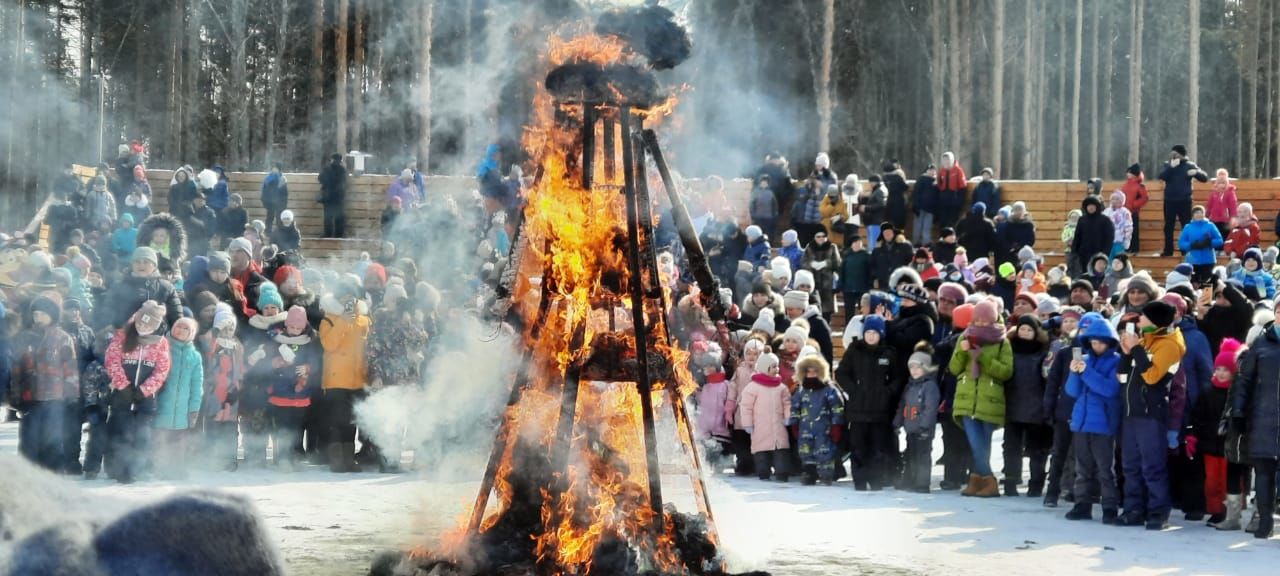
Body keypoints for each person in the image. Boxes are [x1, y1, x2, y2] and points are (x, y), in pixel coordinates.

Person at [1117, 300, 1186, 529]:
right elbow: (1123, 376)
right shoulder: (1147, 338)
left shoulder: (1169, 344)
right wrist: (1127, 353)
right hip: (1131, 411)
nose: (1140, 320)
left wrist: (1136, 349)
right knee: (1130, 465)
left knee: (1152, 466)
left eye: (1144, 317)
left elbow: (1152, 377)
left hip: (1150, 413)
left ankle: (1158, 512)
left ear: (1155, 321)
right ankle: (1133, 509)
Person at [1061, 312, 1123, 523]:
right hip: (1081, 421)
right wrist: (1074, 372)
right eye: (1093, 342)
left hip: (1103, 423)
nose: (1097, 346)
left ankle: (1109, 508)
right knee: (1083, 468)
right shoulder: (1083, 360)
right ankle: (1082, 505)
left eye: (1101, 343)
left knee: (1105, 469)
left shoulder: (1116, 362)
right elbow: (1072, 391)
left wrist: (1085, 372)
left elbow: (1109, 390)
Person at [949, 299, 1012, 498]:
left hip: (990, 399)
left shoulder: (1002, 341)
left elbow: (1006, 372)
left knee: (982, 444)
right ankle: (985, 480)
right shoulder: (964, 337)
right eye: (978, 320)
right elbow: (954, 368)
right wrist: (963, 351)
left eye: (985, 321)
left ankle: (979, 480)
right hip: (967, 398)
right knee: (976, 443)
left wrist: (982, 357)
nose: (981, 324)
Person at [104, 300, 172, 484]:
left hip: (145, 397)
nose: (143, 326)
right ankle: (119, 468)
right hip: (122, 394)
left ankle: (136, 468)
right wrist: (123, 385)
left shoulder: (161, 343)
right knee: (122, 431)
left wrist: (145, 390)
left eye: (148, 324)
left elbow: (162, 370)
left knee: (142, 434)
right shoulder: (122, 337)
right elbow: (112, 361)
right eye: (141, 322)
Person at [9, 295, 78, 472]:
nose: (37, 317)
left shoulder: (63, 338)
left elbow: (70, 368)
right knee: (29, 441)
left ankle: (53, 478)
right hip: (29, 398)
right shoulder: (24, 337)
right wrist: (15, 396)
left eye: (42, 313)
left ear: (52, 315)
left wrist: (71, 394)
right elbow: (16, 369)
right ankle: (28, 478)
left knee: (53, 441)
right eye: (35, 314)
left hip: (55, 398)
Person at [836, 315, 900, 490]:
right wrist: (853, 390)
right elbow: (841, 373)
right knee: (858, 447)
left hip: (880, 410)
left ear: (881, 334)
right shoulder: (854, 351)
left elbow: (898, 378)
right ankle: (860, 481)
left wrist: (887, 392)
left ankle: (877, 480)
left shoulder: (889, 353)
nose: (871, 336)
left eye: (875, 333)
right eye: (868, 332)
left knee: (878, 448)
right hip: (858, 410)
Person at [1229, 320, 1280, 539]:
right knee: (1263, 472)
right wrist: (1238, 412)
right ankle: (1264, 522)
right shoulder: (1261, 343)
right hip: (1263, 418)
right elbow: (1244, 380)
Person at [319, 284, 371, 473]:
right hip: (336, 379)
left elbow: (368, 348)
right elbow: (329, 344)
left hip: (358, 378)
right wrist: (342, 321)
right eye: (344, 298)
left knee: (352, 421)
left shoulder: (364, 321)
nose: (348, 302)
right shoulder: (329, 319)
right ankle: (336, 459)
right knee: (337, 419)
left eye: (352, 298)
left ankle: (349, 459)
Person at [1197, 339, 1241, 528]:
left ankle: (1230, 511)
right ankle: (1215, 510)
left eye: (1226, 370)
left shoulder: (1236, 392)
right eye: (1219, 369)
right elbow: (1198, 416)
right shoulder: (1207, 391)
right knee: (1212, 481)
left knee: (1229, 480)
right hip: (1210, 443)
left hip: (1229, 445)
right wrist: (1195, 434)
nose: (1221, 373)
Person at [152, 317, 203, 479]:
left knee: (178, 442)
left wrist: (194, 408)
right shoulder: (161, 348)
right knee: (160, 440)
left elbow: (197, 385)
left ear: (191, 333)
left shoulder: (195, 356)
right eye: (178, 326)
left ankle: (176, 468)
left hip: (182, 410)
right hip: (161, 405)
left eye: (185, 328)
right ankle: (157, 468)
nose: (180, 330)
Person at [789, 354, 845, 485]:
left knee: (825, 451)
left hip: (824, 428)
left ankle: (826, 474)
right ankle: (809, 473)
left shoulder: (829, 390)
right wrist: (794, 424)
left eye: (815, 371)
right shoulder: (801, 391)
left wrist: (836, 426)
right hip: (805, 428)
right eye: (808, 371)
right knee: (806, 451)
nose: (811, 374)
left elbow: (837, 408)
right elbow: (794, 407)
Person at [201, 304, 244, 471]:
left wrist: (238, 385)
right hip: (214, 393)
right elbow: (207, 350)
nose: (228, 331)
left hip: (232, 393)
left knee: (230, 427)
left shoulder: (237, 345)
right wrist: (216, 332)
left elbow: (240, 368)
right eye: (225, 327)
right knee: (214, 425)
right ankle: (212, 457)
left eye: (231, 327)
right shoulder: (212, 342)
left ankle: (230, 458)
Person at [740, 348, 791, 482]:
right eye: (773, 367)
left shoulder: (781, 387)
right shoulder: (753, 387)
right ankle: (763, 473)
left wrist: (787, 416)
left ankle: (782, 472)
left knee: (781, 451)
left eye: (777, 366)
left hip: (778, 427)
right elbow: (746, 407)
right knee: (761, 452)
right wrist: (747, 424)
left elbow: (787, 403)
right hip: (760, 427)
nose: (776, 369)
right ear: (764, 368)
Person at [895, 345, 940, 493]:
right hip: (911, 428)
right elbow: (903, 405)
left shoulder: (930, 386)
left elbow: (930, 408)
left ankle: (922, 483)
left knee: (922, 456)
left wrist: (925, 426)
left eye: (917, 367)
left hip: (923, 430)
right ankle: (909, 480)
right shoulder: (910, 386)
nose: (914, 371)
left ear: (925, 368)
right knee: (910, 455)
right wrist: (897, 422)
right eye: (911, 367)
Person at [1159, 145, 1210, 256]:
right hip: (1169, 200)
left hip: (1185, 200)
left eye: (1175, 154)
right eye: (1172, 153)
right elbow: (1162, 176)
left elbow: (1205, 178)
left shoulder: (1189, 165)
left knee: (1186, 226)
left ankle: (1185, 249)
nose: (1173, 156)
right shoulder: (1168, 165)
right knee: (1168, 226)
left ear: (1182, 155)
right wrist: (1171, 167)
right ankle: (1168, 250)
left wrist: (1196, 173)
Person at [1177, 205, 1225, 284]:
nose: (1199, 214)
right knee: (1193, 283)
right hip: (1192, 261)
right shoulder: (1188, 227)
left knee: (1207, 283)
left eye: (1201, 212)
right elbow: (1181, 243)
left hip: (1208, 260)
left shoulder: (1210, 225)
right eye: (1196, 213)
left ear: (1204, 214)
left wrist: (1209, 243)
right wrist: (1191, 245)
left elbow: (1220, 240)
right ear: (1193, 215)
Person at [802, 229, 841, 322]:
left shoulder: (832, 247)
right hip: (813, 282)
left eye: (823, 236)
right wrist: (811, 264)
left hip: (828, 283)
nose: (821, 238)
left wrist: (826, 263)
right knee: (814, 306)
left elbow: (838, 263)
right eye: (818, 236)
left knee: (827, 310)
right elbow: (803, 263)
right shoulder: (809, 247)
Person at [1070, 196, 1115, 277]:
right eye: (1088, 206)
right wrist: (1074, 250)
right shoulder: (1082, 220)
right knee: (1085, 274)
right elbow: (1077, 236)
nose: (1090, 207)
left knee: (1098, 274)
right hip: (1084, 253)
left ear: (1097, 207)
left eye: (1092, 205)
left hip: (1099, 254)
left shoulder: (1105, 220)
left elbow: (1109, 237)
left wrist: (1104, 253)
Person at [872, 224, 913, 290]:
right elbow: (872, 265)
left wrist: (906, 278)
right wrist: (875, 278)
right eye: (885, 232)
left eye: (889, 231)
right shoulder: (877, 250)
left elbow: (910, 262)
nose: (887, 234)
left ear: (893, 232)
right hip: (883, 283)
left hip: (900, 283)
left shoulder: (905, 246)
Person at [319, 154, 349, 238]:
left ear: (332, 159)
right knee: (339, 217)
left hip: (328, 197)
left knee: (328, 217)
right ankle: (339, 235)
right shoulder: (342, 170)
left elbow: (320, 179)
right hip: (339, 197)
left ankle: (327, 234)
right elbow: (346, 183)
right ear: (340, 160)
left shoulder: (327, 169)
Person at [936, 152, 967, 228]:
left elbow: (963, 187)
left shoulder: (958, 170)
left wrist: (959, 201)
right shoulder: (942, 171)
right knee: (943, 220)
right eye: (944, 160)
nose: (945, 162)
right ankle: (943, 237)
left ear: (952, 160)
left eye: (947, 160)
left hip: (954, 198)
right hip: (943, 199)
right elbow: (939, 183)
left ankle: (952, 238)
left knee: (952, 221)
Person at [912, 165, 940, 245]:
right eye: (930, 170)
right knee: (918, 226)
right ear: (926, 171)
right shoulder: (921, 179)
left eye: (934, 170)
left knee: (927, 228)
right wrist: (915, 205)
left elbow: (937, 197)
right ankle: (916, 243)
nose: (932, 171)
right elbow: (916, 193)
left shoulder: (936, 182)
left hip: (930, 209)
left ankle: (925, 244)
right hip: (920, 207)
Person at [1206, 168, 1238, 239]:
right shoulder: (1214, 193)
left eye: (1223, 183)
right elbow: (1209, 206)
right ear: (1217, 183)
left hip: (1225, 220)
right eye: (1219, 183)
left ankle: (1224, 248)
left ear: (1227, 183)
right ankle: (1216, 249)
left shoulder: (1230, 193)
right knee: (1214, 235)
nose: (1221, 185)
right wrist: (1206, 216)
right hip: (1214, 219)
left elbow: (1233, 206)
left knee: (1225, 236)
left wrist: (1233, 217)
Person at [860, 176, 888, 251]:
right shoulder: (878, 190)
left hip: (875, 221)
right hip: (873, 221)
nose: (869, 184)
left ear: (874, 182)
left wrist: (866, 208)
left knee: (873, 244)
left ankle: (872, 258)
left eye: (870, 182)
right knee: (872, 243)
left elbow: (881, 205)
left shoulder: (879, 192)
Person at [261, 163, 289, 234]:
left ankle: (279, 232)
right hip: (270, 202)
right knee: (269, 217)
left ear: (279, 170)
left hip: (279, 202)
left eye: (276, 168)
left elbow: (285, 193)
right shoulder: (268, 178)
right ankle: (268, 231)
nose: (274, 170)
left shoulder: (282, 179)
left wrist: (284, 203)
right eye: (273, 168)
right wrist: (264, 200)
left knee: (279, 218)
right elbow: (264, 191)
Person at [1105, 191, 1134, 259]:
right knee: (1108, 260)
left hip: (1120, 241)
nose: (1114, 201)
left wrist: (1127, 240)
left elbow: (1129, 227)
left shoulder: (1125, 212)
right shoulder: (1107, 211)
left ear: (1122, 201)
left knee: (1119, 259)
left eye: (1117, 199)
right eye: (1113, 199)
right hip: (1108, 241)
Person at [882, 161, 909, 231]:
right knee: (899, 223)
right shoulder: (897, 177)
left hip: (889, 201)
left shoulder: (884, 178)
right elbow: (905, 187)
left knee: (888, 222)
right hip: (899, 201)